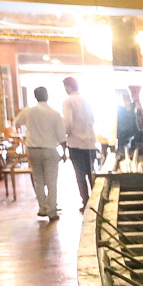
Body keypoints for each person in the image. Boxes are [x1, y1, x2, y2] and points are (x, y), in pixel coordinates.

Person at [14, 86, 66, 221]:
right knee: (52, 181)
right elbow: (61, 136)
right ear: (47, 96)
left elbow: (16, 122)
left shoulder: (28, 112)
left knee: (38, 180)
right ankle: (52, 211)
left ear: (35, 97)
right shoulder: (54, 113)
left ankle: (42, 208)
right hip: (50, 149)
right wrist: (64, 152)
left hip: (33, 150)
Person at [61, 75, 97, 210]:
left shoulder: (68, 102)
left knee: (80, 175)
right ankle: (95, 200)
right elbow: (92, 119)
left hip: (76, 143)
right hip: (90, 142)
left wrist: (65, 134)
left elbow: (68, 122)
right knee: (91, 172)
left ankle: (86, 202)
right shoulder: (86, 100)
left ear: (68, 87)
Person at [115, 93, 138, 165]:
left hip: (130, 141)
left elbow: (135, 128)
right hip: (123, 140)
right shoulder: (121, 112)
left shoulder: (132, 112)